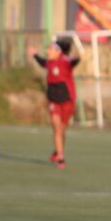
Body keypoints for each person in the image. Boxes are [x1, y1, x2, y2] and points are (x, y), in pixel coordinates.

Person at [30, 39, 80, 170]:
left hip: (67, 100)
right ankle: (61, 157)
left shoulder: (65, 62)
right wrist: (35, 54)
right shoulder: (49, 63)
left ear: (58, 51)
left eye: (51, 49)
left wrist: (78, 57)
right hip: (53, 100)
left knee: (62, 129)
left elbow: (73, 62)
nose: (48, 51)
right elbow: (42, 62)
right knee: (57, 127)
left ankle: (57, 151)